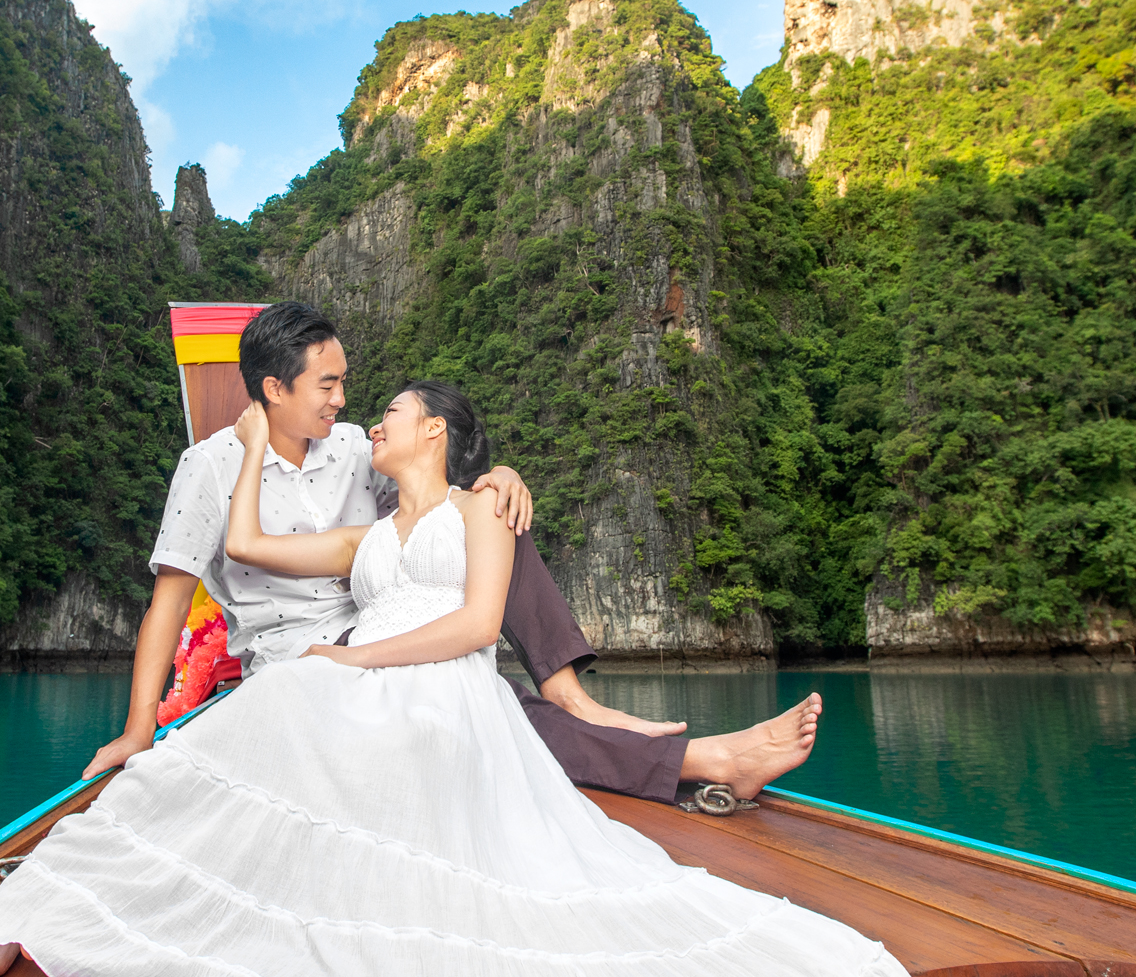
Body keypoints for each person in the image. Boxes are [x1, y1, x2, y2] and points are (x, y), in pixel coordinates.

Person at [0, 382, 950, 977]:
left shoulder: (469, 506)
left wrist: (474, 503)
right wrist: (246, 450)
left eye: (384, 410)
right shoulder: (364, 518)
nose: (359, 413)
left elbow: (468, 624)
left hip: (418, 678)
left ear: (433, 434)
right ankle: (34, 916)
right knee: (197, 763)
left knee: (433, 746)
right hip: (343, 672)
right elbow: (242, 547)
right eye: (338, 392)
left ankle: (589, 710)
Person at [79, 301, 824, 809]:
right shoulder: (208, 470)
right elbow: (169, 604)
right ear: (275, 388)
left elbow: (428, 511)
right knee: (493, 715)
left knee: (497, 521)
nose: (344, 400)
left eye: (345, 381)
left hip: (379, 625)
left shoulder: (350, 448)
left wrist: (494, 478)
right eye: (327, 384)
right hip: (298, 660)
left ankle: (572, 694)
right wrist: (140, 726)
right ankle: (691, 759)